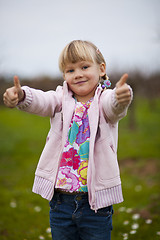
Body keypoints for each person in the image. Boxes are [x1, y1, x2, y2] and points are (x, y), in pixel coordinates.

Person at [3, 40, 133, 240]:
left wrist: (120, 97)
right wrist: (21, 95)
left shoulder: (104, 100)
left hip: (95, 205)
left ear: (101, 69)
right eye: (70, 70)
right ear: (64, 76)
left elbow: (113, 106)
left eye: (84, 67)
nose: (78, 74)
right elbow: (42, 100)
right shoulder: (60, 99)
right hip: (60, 202)